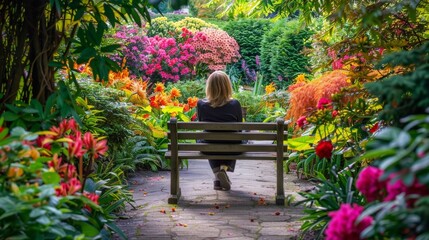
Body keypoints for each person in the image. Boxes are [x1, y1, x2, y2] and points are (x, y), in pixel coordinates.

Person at [197, 70, 243, 191]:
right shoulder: (235, 104)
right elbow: (240, 127)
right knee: (236, 138)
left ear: (209, 87)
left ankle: (217, 174)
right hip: (232, 147)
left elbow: (201, 124)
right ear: (227, 86)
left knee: (207, 139)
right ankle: (222, 170)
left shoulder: (201, 104)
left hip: (209, 147)